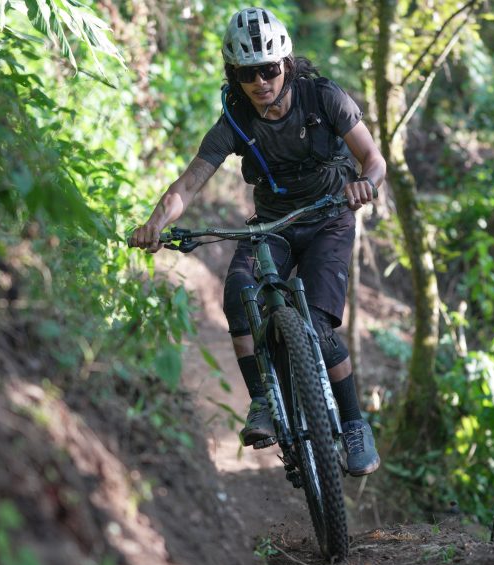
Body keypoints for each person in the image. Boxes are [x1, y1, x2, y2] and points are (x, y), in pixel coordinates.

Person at [129, 6, 384, 476]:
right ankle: (264, 399)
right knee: (239, 295)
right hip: (271, 224)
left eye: (268, 69)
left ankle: (353, 424)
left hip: (329, 218)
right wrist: (154, 223)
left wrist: (365, 183)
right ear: (235, 76)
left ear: (286, 64)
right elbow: (189, 184)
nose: (261, 82)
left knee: (320, 326)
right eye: (248, 73)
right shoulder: (236, 119)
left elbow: (373, 158)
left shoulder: (324, 97)